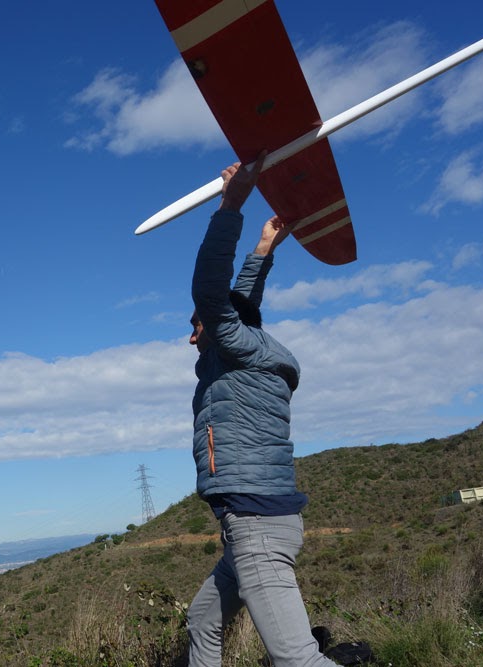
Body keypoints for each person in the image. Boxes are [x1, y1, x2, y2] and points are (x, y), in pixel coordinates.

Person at [185, 153, 338, 667]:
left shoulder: (236, 347)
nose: (192, 337)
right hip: (250, 523)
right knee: (202, 622)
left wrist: (232, 205)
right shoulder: (249, 350)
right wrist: (264, 248)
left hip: (256, 523)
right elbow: (241, 304)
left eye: (197, 325)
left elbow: (213, 293)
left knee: (297, 659)